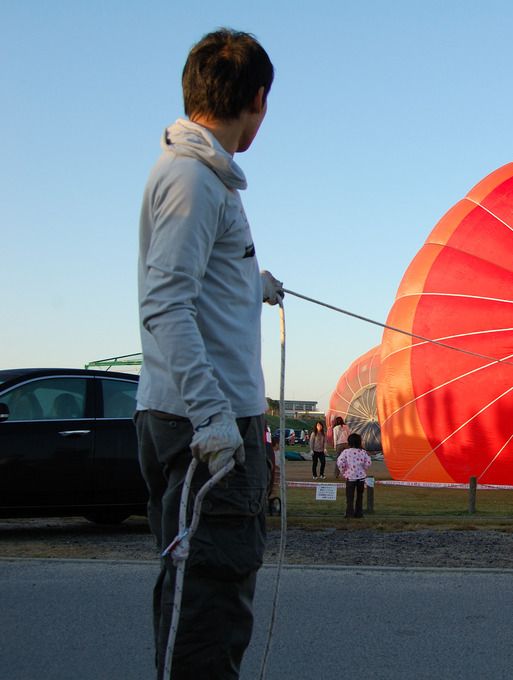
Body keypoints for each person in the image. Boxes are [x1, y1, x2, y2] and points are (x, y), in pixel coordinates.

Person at [134, 28, 281, 679]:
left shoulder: (212, 179)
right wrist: (212, 418)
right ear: (258, 99)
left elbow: (201, 287)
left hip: (226, 418)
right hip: (208, 428)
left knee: (226, 601)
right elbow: (165, 305)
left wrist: (253, 283)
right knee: (203, 608)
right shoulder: (192, 180)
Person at [337, 432, 372, 518]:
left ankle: (349, 513)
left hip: (350, 477)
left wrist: (344, 471)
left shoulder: (346, 452)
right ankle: (359, 514)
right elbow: (368, 462)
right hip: (361, 477)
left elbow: (340, 462)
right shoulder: (363, 452)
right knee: (360, 496)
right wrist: (363, 469)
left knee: (350, 497)